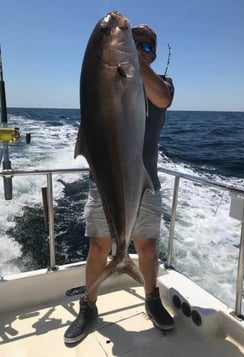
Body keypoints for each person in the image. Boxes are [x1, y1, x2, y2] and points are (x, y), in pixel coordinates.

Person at [64, 24, 175, 344]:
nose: (141, 49)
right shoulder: (112, 78)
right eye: (135, 43)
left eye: (148, 47)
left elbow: (163, 99)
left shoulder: (161, 83)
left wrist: (135, 63)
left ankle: (152, 299)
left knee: (147, 247)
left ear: (154, 55)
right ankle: (88, 306)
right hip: (105, 182)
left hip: (145, 182)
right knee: (98, 245)